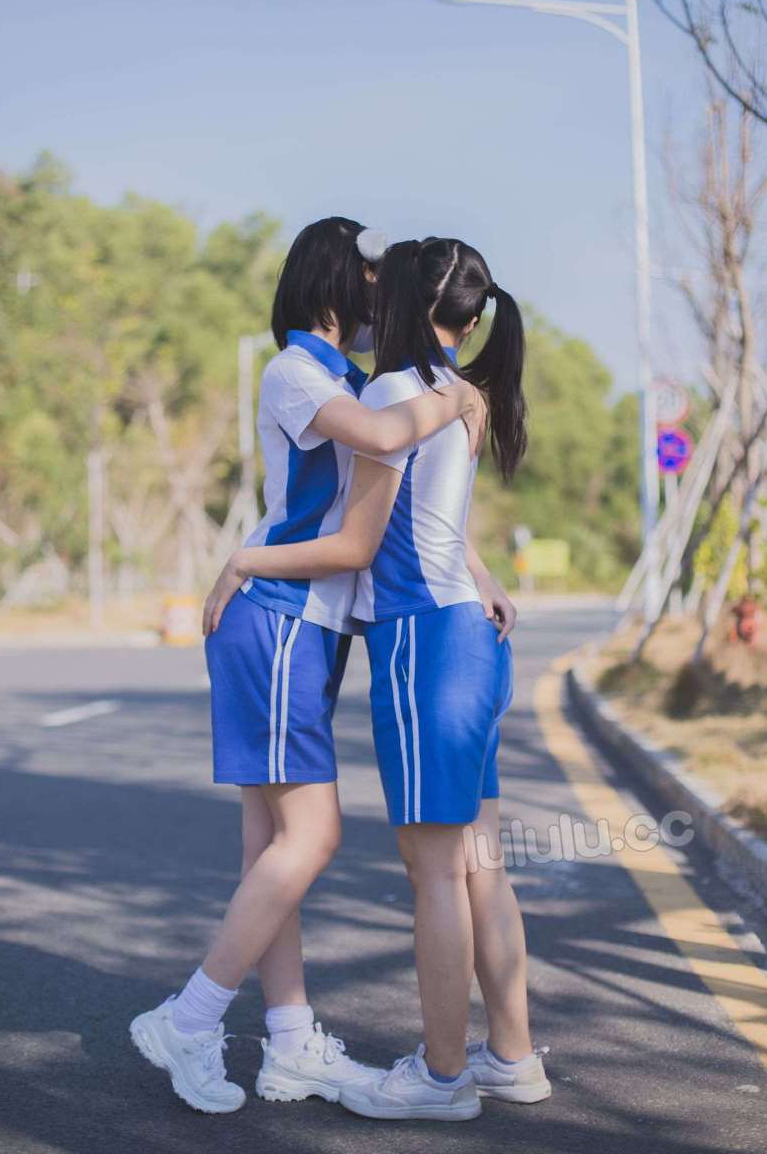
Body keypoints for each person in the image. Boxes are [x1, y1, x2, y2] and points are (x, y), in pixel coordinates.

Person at [129, 218, 485, 1114]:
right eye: (372, 282)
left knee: (271, 849)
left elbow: (403, 500)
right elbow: (383, 435)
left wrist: (478, 569)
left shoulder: (342, 376)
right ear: (339, 282)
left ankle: (289, 1043)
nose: (382, 299)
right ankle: (190, 1017)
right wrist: (456, 394)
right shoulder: (297, 372)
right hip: (281, 618)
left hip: (305, 625)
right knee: (312, 837)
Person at [205, 236, 550, 1122]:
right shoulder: (455, 392)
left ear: (402, 298)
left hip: (422, 644)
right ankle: (511, 1059)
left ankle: (441, 1079)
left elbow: (359, 543)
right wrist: (480, 573)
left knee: (434, 874)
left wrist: (244, 559)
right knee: (480, 863)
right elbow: (437, 521)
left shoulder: (398, 392)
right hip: (473, 639)